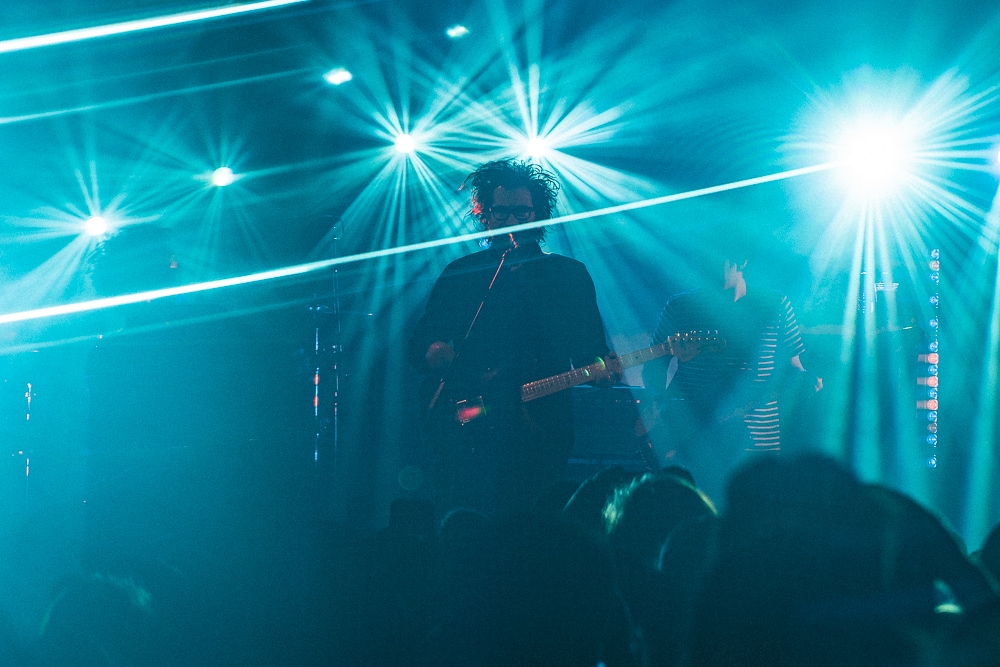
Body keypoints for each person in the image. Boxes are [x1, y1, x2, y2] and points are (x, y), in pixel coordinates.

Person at [408, 158, 618, 517]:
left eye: (522, 212)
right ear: (484, 214)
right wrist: (434, 350)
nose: (511, 222)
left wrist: (601, 370)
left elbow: (591, 351)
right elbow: (422, 341)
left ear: (539, 215)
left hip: (542, 428)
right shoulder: (462, 274)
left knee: (534, 523)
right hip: (472, 421)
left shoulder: (567, 276)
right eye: (501, 212)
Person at [641, 229, 820, 502]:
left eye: (721, 259)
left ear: (742, 261)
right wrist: (664, 407)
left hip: (759, 441)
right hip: (699, 436)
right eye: (706, 260)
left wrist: (808, 381)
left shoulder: (774, 306)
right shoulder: (680, 307)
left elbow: (794, 366)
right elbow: (653, 369)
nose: (711, 267)